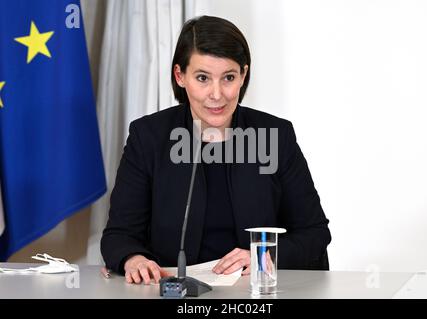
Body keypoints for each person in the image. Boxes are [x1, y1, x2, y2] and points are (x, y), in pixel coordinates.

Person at [101, 15, 331, 285]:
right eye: (202, 78)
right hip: (174, 293)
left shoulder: (276, 136)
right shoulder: (149, 137)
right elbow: (119, 235)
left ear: (243, 75)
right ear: (180, 75)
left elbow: (314, 233)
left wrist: (263, 254)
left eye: (229, 78)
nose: (217, 94)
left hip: (255, 294)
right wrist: (133, 258)